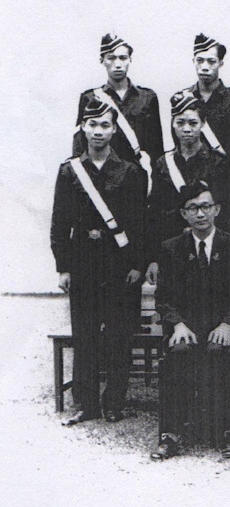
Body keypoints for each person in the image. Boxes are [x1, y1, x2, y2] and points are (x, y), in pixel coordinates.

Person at [52, 97, 147, 426]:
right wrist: (63, 266)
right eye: (92, 124)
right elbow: (60, 222)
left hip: (120, 265)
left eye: (105, 124)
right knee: (86, 335)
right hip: (83, 264)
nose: (98, 131)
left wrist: (138, 264)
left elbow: (140, 223)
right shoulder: (69, 170)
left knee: (120, 335)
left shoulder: (131, 172)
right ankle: (86, 403)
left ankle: (114, 401)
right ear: (83, 127)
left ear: (114, 128)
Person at [151, 181, 230, 461]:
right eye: (193, 208)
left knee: (223, 353)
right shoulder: (171, 248)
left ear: (217, 209)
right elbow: (163, 298)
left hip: (224, 326)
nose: (200, 214)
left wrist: (228, 324)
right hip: (187, 326)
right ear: (184, 214)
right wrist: (178, 324)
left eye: (206, 206)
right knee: (177, 355)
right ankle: (170, 435)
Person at [146, 92, 230, 285]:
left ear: (203, 124)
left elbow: (227, 209)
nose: (187, 129)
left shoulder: (218, 162)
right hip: (172, 248)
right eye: (180, 123)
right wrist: (153, 258)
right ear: (172, 124)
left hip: (210, 245)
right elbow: (155, 211)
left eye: (193, 123)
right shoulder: (163, 163)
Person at [73, 34, 163, 184]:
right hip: (102, 178)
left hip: (137, 178)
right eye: (111, 58)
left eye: (123, 58)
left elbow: (156, 148)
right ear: (102, 61)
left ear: (130, 60)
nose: (118, 64)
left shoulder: (147, 98)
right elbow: (80, 145)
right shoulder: (90, 98)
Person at [177, 33, 230, 169]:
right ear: (193, 61)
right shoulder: (182, 98)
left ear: (221, 63)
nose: (205, 66)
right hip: (192, 174)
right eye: (200, 60)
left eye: (211, 61)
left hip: (227, 176)